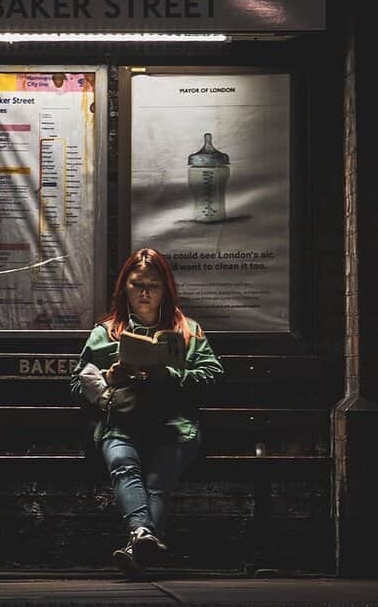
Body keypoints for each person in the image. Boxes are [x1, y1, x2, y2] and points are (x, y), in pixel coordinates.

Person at [69, 247, 224, 578]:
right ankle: (143, 540)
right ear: (124, 287)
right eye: (136, 284)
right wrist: (111, 377)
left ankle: (138, 541)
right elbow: (76, 385)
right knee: (123, 464)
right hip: (121, 424)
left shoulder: (187, 331)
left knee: (157, 480)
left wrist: (167, 375)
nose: (144, 293)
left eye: (152, 285)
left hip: (174, 427)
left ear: (165, 288)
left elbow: (212, 376)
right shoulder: (105, 332)